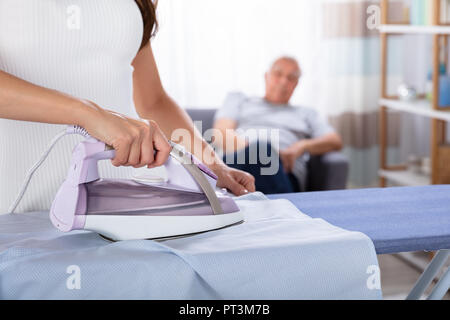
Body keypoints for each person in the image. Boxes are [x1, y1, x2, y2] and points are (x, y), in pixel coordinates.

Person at [0, 0, 255, 214]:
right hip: (17, 204)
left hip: (123, 205)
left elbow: (153, 100)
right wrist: (87, 114)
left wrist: (210, 164)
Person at [213, 56, 343, 194]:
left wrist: (302, 146)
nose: (283, 81)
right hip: (236, 163)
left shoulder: (307, 113)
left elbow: (334, 141)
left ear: (296, 84)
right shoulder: (239, 100)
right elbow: (220, 133)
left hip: (283, 173)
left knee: (264, 153)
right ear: (266, 76)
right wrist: (262, 153)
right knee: (261, 150)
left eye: (291, 77)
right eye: (278, 74)